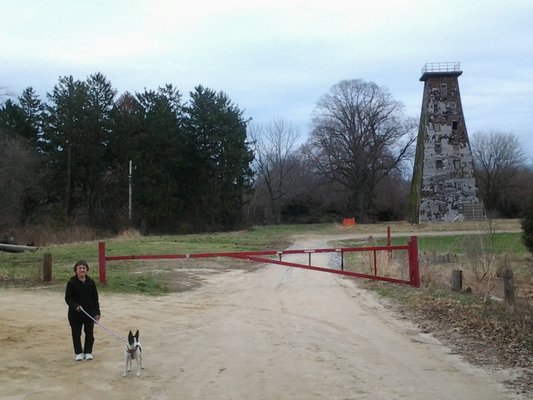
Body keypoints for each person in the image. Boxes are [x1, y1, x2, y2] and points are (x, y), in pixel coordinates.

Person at [65, 260, 101, 361]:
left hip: (89, 312)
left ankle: (88, 352)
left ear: (87, 270)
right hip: (75, 313)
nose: (82, 270)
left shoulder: (91, 282)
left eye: (84, 268)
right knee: (76, 333)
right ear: (76, 270)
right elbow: (68, 298)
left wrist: (97, 312)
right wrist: (75, 306)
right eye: (80, 268)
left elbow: (95, 299)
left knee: (89, 333)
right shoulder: (71, 282)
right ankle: (79, 353)